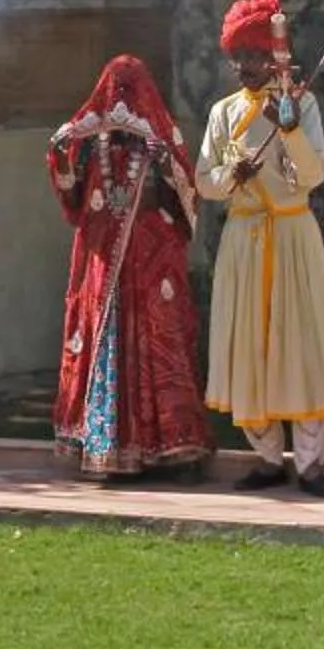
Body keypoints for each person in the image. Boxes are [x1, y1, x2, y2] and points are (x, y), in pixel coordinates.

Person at [198, 0, 324, 493]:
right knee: (247, 346)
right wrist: (232, 174)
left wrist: (286, 129)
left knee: (301, 346)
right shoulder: (223, 113)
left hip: (292, 236)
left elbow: (313, 174)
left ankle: (312, 463)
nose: (245, 65)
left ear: (274, 57)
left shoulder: (300, 103)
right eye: (239, 57)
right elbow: (204, 180)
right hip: (243, 240)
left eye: (254, 55)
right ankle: (267, 456)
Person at [46, 56, 211, 478]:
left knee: (159, 345)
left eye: (129, 88)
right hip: (102, 267)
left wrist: (161, 162)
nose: (121, 98)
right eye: (115, 87)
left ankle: (172, 450)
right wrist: (62, 154)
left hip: (151, 267)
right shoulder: (90, 142)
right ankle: (105, 446)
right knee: (104, 348)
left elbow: (189, 202)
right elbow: (71, 196)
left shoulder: (161, 139)